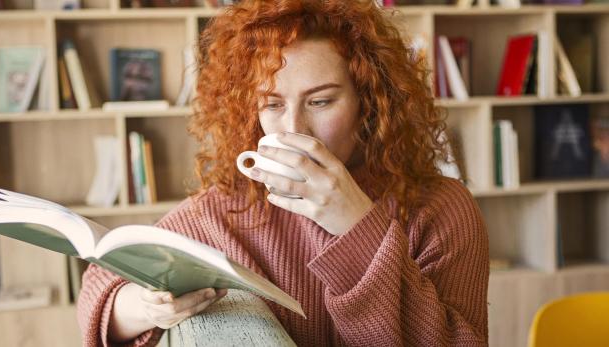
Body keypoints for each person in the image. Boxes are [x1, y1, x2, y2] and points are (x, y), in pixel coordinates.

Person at [77, 1, 489, 346]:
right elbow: (101, 287)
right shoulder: (228, 208)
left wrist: (357, 225)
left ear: (369, 103)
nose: (294, 129)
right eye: (272, 105)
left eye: (321, 101)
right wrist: (143, 306)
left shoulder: (439, 208)